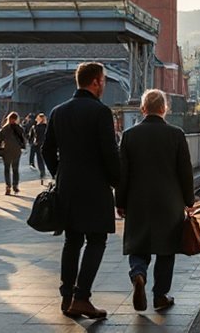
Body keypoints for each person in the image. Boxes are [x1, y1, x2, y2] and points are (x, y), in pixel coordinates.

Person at [42, 62, 120, 319]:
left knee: (72, 240)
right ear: (96, 81)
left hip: (67, 186)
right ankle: (82, 297)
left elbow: (46, 150)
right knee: (96, 240)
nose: (104, 85)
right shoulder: (100, 112)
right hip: (95, 187)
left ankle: (66, 297)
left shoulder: (58, 111)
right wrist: (119, 185)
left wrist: (60, 174)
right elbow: (110, 154)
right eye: (104, 81)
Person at [116, 89, 194, 312]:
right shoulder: (176, 134)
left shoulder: (129, 135)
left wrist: (119, 202)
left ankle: (138, 274)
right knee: (166, 250)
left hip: (137, 201)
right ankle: (160, 295)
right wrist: (189, 199)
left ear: (143, 109)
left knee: (138, 245)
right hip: (169, 202)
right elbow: (185, 171)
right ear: (164, 109)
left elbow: (123, 174)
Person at [0, 112, 27, 195]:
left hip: (7, 151)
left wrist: (0, 149)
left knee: (7, 169)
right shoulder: (19, 129)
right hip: (16, 151)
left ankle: (8, 187)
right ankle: (15, 186)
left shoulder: (4, 129)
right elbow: (23, 141)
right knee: (15, 169)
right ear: (17, 119)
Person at [30, 113, 48, 184]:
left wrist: (33, 142)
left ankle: (42, 173)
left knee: (40, 160)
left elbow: (32, 137)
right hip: (45, 144)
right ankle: (49, 173)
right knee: (46, 159)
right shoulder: (47, 127)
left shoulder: (35, 127)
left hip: (38, 145)